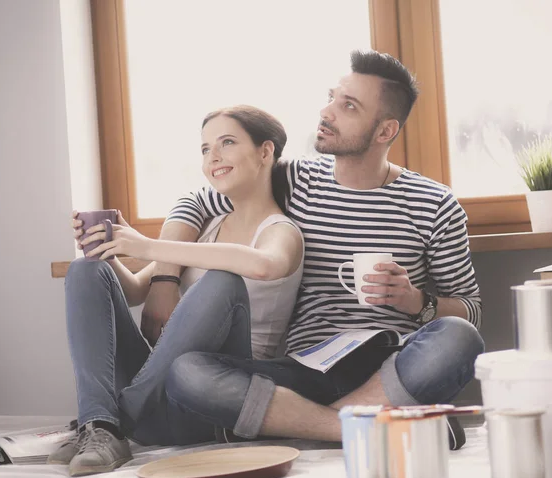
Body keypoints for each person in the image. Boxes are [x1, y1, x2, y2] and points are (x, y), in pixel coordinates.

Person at [154, 50, 485, 449]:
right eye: (332, 97)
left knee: (459, 337)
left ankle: (294, 426)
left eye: (348, 106)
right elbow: (194, 202)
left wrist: (417, 302)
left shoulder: (434, 203)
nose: (327, 112)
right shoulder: (291, 179)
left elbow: (470, 307)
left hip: (388, 366)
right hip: (301, 369)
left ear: (384, 131)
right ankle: (360, 428)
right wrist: (163, 278)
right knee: (187, 371)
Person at [51, 105, 304, 476]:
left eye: (227, 142)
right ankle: (103, 425)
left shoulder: (281, 230)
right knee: (86, 269)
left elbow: (263, 265)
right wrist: (110, 249)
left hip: (208, 400)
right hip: (158, 401)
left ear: (265, 152)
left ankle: (108, 419)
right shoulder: (210, 228)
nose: (213, 156)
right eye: (205, 149)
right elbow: (138, 290)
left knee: (222, 280)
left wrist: (147, 246)